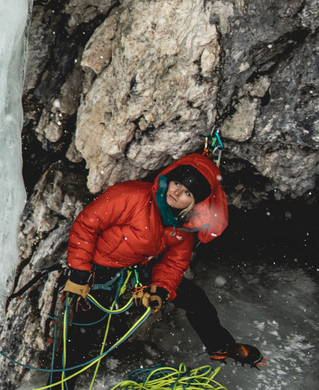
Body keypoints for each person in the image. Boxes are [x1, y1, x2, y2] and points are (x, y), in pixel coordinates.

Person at [51, 153, 264, 387]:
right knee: (86, 329)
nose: (176, 192)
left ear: (195, 202)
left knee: (196, 299)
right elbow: (86, 224)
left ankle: (220, 345)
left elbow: (173, 262)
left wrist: (161, 289)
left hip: (138, 267)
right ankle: (60, 384)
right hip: (101, 268)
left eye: (187, 193)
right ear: (168, 179)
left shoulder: (183, 225)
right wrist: (80, 272)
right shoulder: (133, 196)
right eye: (177, 183)